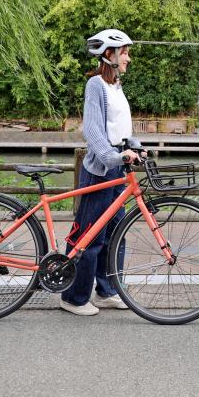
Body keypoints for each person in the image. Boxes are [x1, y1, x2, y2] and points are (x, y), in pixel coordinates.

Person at [60, 29, 143, 316]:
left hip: (118, 169)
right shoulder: (95, 85)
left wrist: (136, 147)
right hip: (101, 170)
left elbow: (121, 129)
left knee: (115, 233)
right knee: (90, 237)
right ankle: (73, 298)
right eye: (125, 53)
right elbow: (93, 130)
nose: (128, 58)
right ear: (109, 54)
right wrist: (111, 156)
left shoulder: (116, 86)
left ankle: (107, 291)